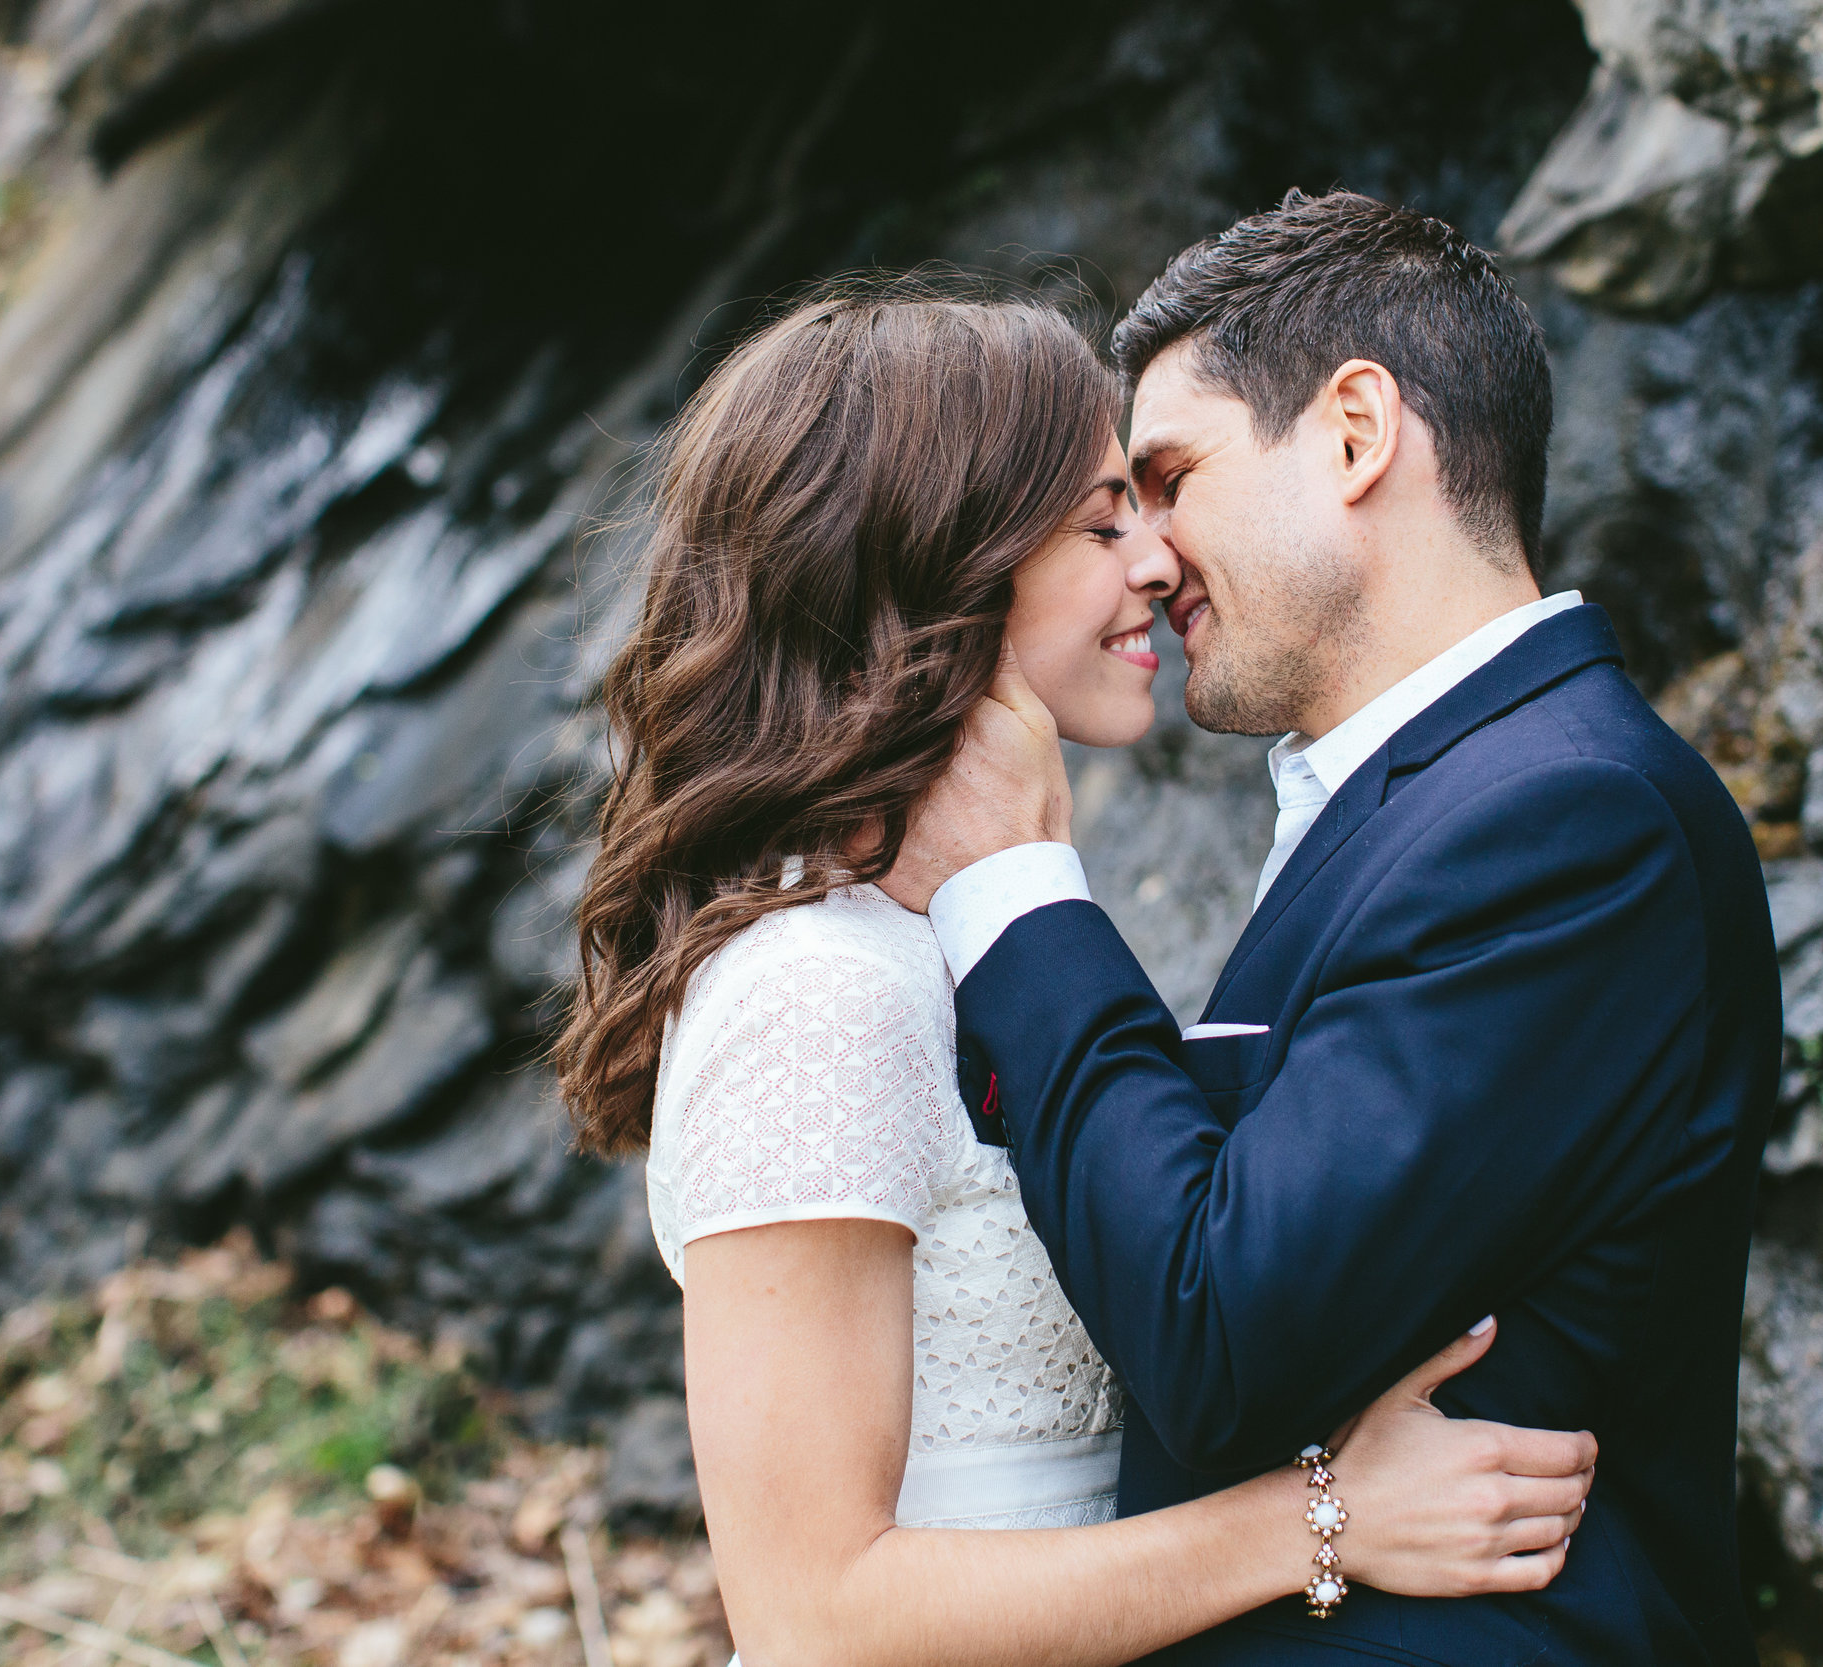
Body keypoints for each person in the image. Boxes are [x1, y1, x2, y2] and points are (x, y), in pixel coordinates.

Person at [551, 285, 1601, 1667]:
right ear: (935, 565)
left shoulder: (945, 953)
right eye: (1105, 523)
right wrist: (1316, 1521)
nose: (1158, 566)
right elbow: (816, 1617)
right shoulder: (820, 987)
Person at [886, 192, 1783, 1665]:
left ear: (1357, 432)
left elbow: (1218, 1330)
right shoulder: (1430, 802)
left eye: (1172, 479)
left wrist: (1015, 886)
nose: (1152, 558)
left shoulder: (1569, 822)